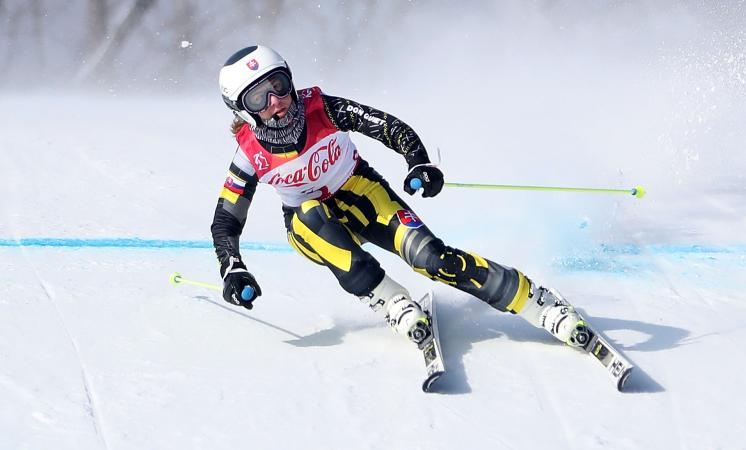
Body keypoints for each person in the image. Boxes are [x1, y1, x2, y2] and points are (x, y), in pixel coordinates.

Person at [211, 45, 589, 348]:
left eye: (278, 84)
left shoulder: (322, 107)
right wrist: (233, 266)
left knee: (432, 258)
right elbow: (226, 220)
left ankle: (532, 300)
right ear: (243, 111)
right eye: (259, 97)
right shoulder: (248, 155)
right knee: (312, 215)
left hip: (361, 191)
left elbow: (388, 127)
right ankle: (390, 300)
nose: (276, 100)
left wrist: (418, 163)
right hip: (309, 226)